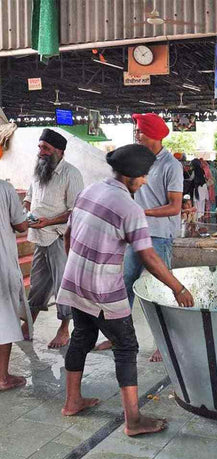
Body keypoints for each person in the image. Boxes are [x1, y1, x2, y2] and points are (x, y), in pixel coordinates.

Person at [56, 144, 194, 435]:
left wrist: (79, 266)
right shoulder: (130, 209)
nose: (144, 182)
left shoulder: (89, 191)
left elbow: (68, 235)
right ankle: (133, 421)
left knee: (81, 336)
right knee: (127, 346)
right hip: (103, 290)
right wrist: (178, 288)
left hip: (74, 282)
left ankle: (72, 402)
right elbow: (149, 256)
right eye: (143, 177)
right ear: (131, 176)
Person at [104, 113, 183, 362]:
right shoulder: (138, 160)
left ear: (154, 136)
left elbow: (174, 207)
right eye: (136, 131)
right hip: (133, 233)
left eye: (140, 132)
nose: (136, 136)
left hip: (159, 235)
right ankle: (118, 335)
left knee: (161, 289)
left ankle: (164, 342)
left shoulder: (171, 165)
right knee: (124, 284)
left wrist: (140, 211)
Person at [23, 129, 84, 348]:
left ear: (59, 151)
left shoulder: (71, 174)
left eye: (46, 148)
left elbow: (75, 210)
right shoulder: (39, 171)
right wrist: (28, 213)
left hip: (59, 238)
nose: (41, 152)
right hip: (40, 237)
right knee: (38, 286)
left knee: (62, 287)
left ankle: (64, 330)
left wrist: (48, 222)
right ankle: (28, 325)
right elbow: (29, 199)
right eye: (40, 147)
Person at [0, 180, 30, 391]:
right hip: (1, 265)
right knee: (4, 319)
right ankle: (2, 377)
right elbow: (21, 225)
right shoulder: (4, 188)